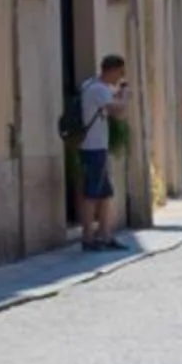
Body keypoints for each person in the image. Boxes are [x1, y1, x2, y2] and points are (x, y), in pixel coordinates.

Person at [76, 54, 127, 250]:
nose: (120, 78)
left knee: (104, 193)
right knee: (91, 194)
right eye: (120, 73)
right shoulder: (98, 89)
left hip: (97, 146)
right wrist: (124, 95)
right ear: (112, 70)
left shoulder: (91, 85)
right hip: (92, 147)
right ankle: (88, 237)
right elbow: (118, 112)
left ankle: (105, 235)